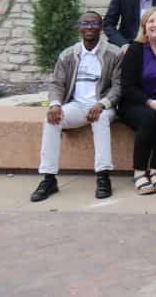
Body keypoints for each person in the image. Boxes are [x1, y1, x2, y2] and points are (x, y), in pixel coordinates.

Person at [30, 11, 122, 202]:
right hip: (77, 106)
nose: (89, 27)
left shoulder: (114, 53)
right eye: (85, 23)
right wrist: (55, 105)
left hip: (104, 105)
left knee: (100, 118)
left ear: (101, 27)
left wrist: (102, 104)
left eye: (94, 23)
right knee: (51, 120)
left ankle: (103, 176)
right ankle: (49, 179)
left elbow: (119, 86)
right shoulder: (68, 54)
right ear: (79, 27)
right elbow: (56, 84)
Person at [117, 7, 156, 195]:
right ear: (144, 27)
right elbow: (127, 86)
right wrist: (150, 102)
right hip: (134, 104)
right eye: (151, 21)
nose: (155, 25)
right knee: (150, 117)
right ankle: (139, 172)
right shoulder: (135, 49)